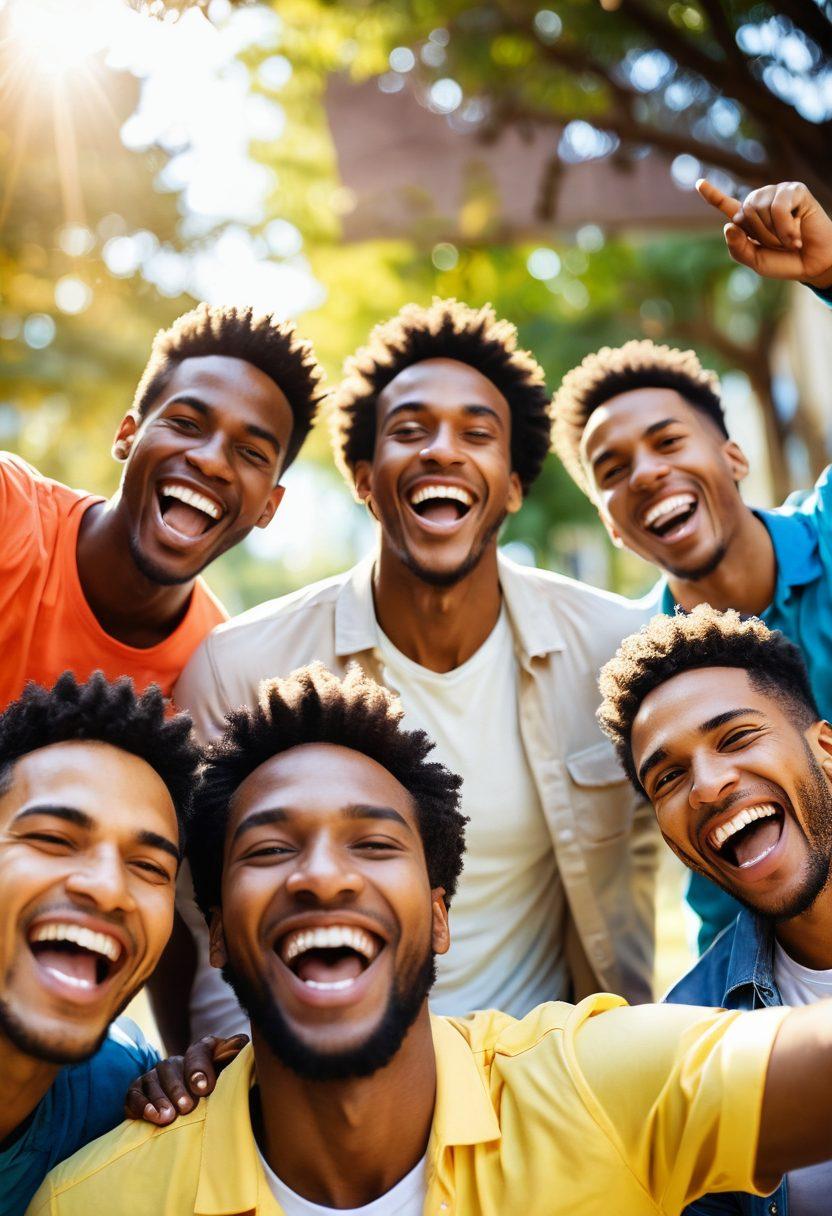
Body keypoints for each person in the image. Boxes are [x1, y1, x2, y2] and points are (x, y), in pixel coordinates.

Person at [28, 662, 832, 1216]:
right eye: (270, 849)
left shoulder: (595, 1085)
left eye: (374, 843)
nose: (323, 876)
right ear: (217, 937)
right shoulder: (93, 1201)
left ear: (439, 915)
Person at [174, 297, 658, 1042]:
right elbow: (206, 923)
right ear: (365, 479)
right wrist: (239, 1080)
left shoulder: (612, 648)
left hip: (549, 1070)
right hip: (325, 1076)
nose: (441, 451)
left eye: (476, 433)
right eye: (409, 430)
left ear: (513, 483)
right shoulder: (242, 669)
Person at [551, 179, 832, 951]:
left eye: (669, 441)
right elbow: (723, 879)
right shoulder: (651, 688)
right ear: (612, 526)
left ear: (733, 457)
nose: (645, 473)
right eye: (613, 470)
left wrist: (829, 274)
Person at [597, 604, 832, 1216]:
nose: (706, 785)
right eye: (668, 778)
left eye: (736, 738)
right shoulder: (691, 1034)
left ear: (826, 750)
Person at [0, 670, 243, 1215]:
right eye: (52, 839)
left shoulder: (122, 1090)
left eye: (149, 866)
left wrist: (204, 1098)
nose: (109, 888)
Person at [0, 301, 324, 709]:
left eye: (252, 453)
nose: (211, 461)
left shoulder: (217, 679)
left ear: (269, 507)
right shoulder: (9, 509)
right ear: (127, 435)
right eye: (186, 424)